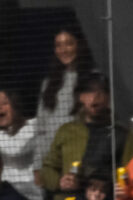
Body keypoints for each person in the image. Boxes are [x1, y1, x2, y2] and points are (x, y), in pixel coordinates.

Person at [40, 72, 133, 200]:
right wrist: (60, 182)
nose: (95, 96)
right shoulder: (67, 131)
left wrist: (109, 186)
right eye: (89, 91)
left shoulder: (124, 134)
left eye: (101, 91)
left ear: (108, 97)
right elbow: (48, 168)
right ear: (80, 97)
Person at [32, 28, 92, 177]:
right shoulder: (48, 83)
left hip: (77, 159)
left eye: (68, 44)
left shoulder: (92, 79)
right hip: (51, 162)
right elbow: (41, 128)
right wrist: (38, 165)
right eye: (58, 45)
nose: (63, 50)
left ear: (79, 45)